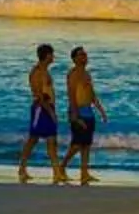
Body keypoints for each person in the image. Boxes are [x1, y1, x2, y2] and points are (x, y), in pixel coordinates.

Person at [16, 44, 64, 184]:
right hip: (41, 108)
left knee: (51, 140)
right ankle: (22, 168)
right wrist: (50, 112)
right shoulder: (36, 72)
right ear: (46, 55)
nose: (53, 57)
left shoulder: (45, 71)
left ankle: (56, 172)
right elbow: (39, 95)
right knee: (34, 139)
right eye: (52, 54)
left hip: (48, 107)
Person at [64, 47, 102, 186]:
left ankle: (84, 173)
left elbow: (92, 94)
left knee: (86, 145)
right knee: (77, 144)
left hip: (88, 111)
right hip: (78, 111)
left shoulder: (86, 74)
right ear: (74, 58)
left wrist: (100, 109)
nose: (84, 57)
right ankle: (62, 166)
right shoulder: (73, 74)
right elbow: (71, 95)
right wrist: (75, 115)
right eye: (81, 55)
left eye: (85, 54)